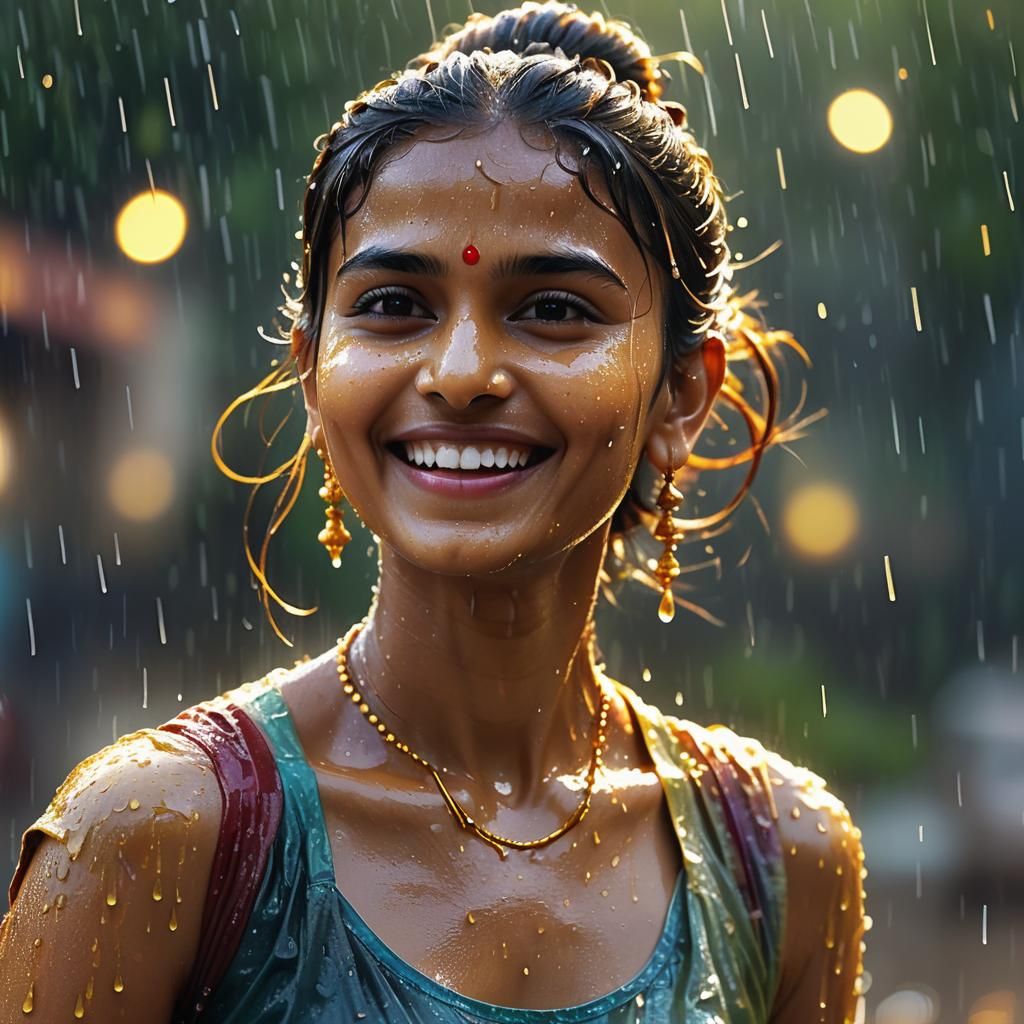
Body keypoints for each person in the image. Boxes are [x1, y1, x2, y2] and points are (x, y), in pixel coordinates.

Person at [0, 4, 867, 1021]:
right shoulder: (152, 838)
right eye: (394, 305)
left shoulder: (782, 861)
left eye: (552, 309)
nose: (459, 375)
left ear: (680, 395)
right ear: (313, 373)